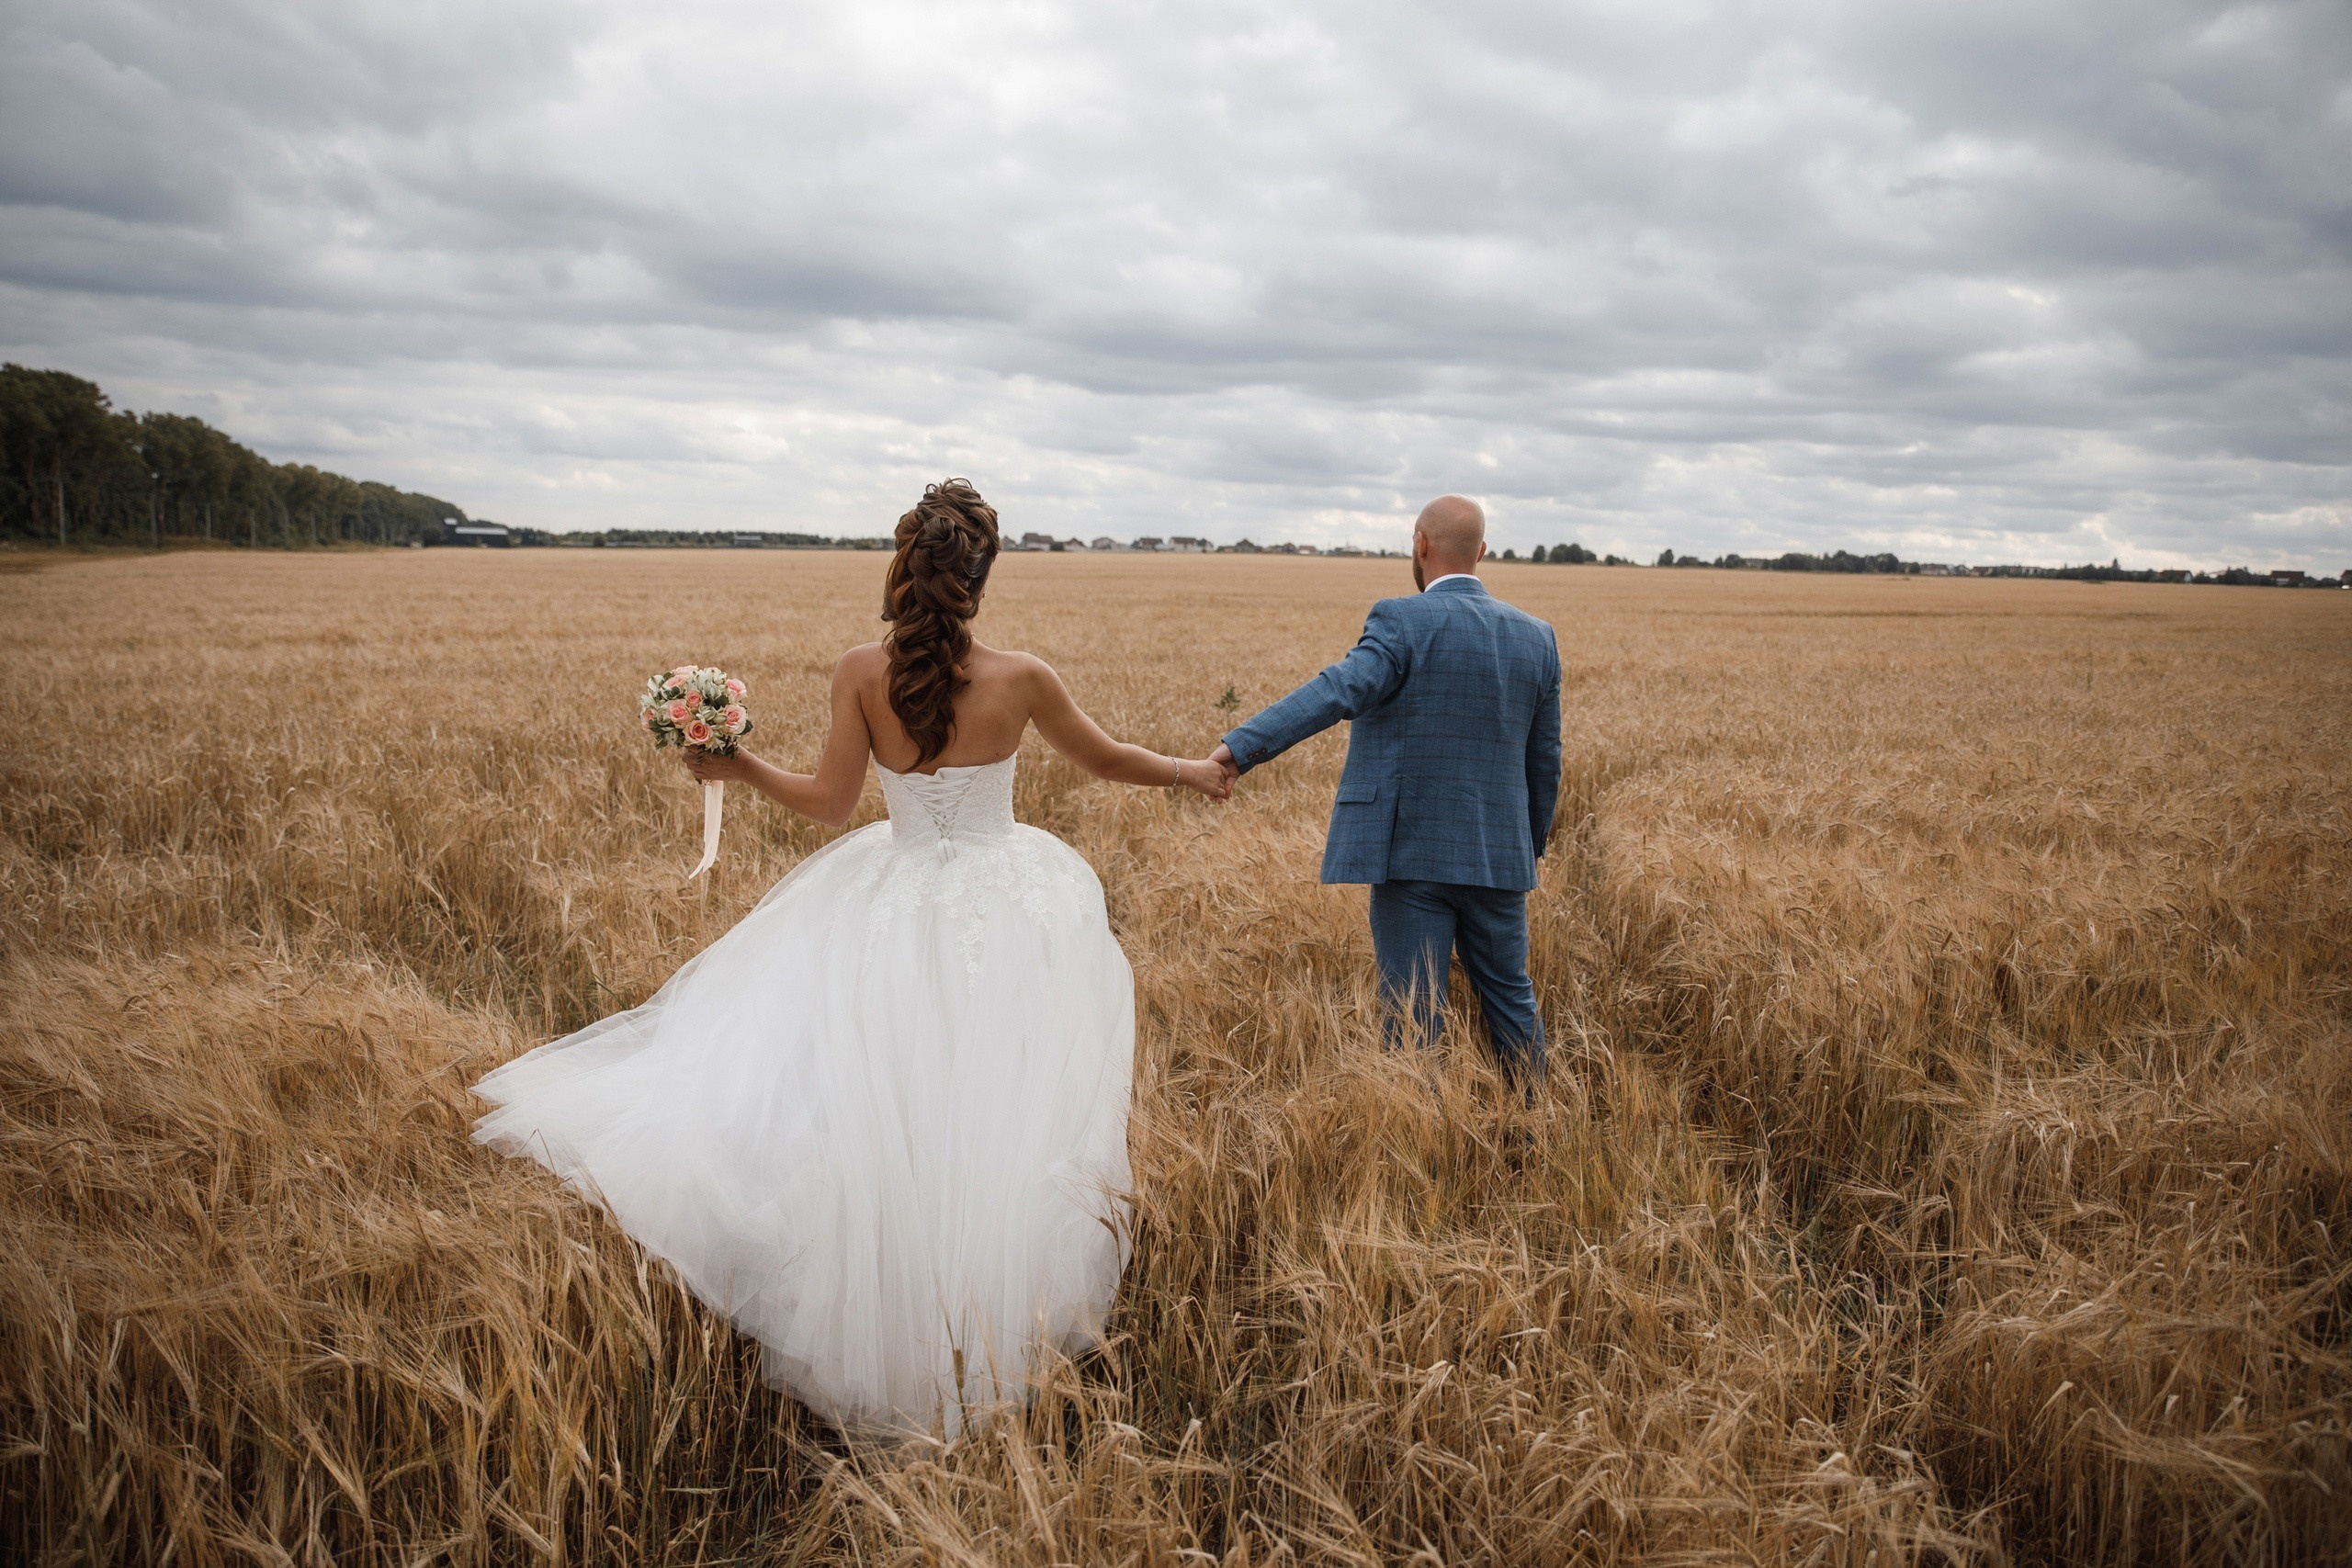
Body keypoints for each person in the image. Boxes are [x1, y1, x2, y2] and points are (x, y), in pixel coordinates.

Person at [472, 479, 1230, 1438]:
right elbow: (1111, 759)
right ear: (982, 576)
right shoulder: (1022, 676)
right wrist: (1196, 772)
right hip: (1010, 909)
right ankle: (990, 1326)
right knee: (998, 1112)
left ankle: (882, 1313)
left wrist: (736, 763)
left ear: (903, 569)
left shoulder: (859, 672)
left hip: (890, 902)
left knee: (873, 1112)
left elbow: (830, 805)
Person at [1212, 495, 1561, 1088]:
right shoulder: (1537, 637)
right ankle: (1539, 1126)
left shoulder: (1400, 620)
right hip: (1499, 858)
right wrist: (1524, 845)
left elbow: (1335, 691)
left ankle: (1418, 1144)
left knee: (1414, 1020)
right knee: (1511, 1003)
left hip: (1412, 856)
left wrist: (1241, 748)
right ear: (1481, 552)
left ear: (1421, 544)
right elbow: (1545, 759)